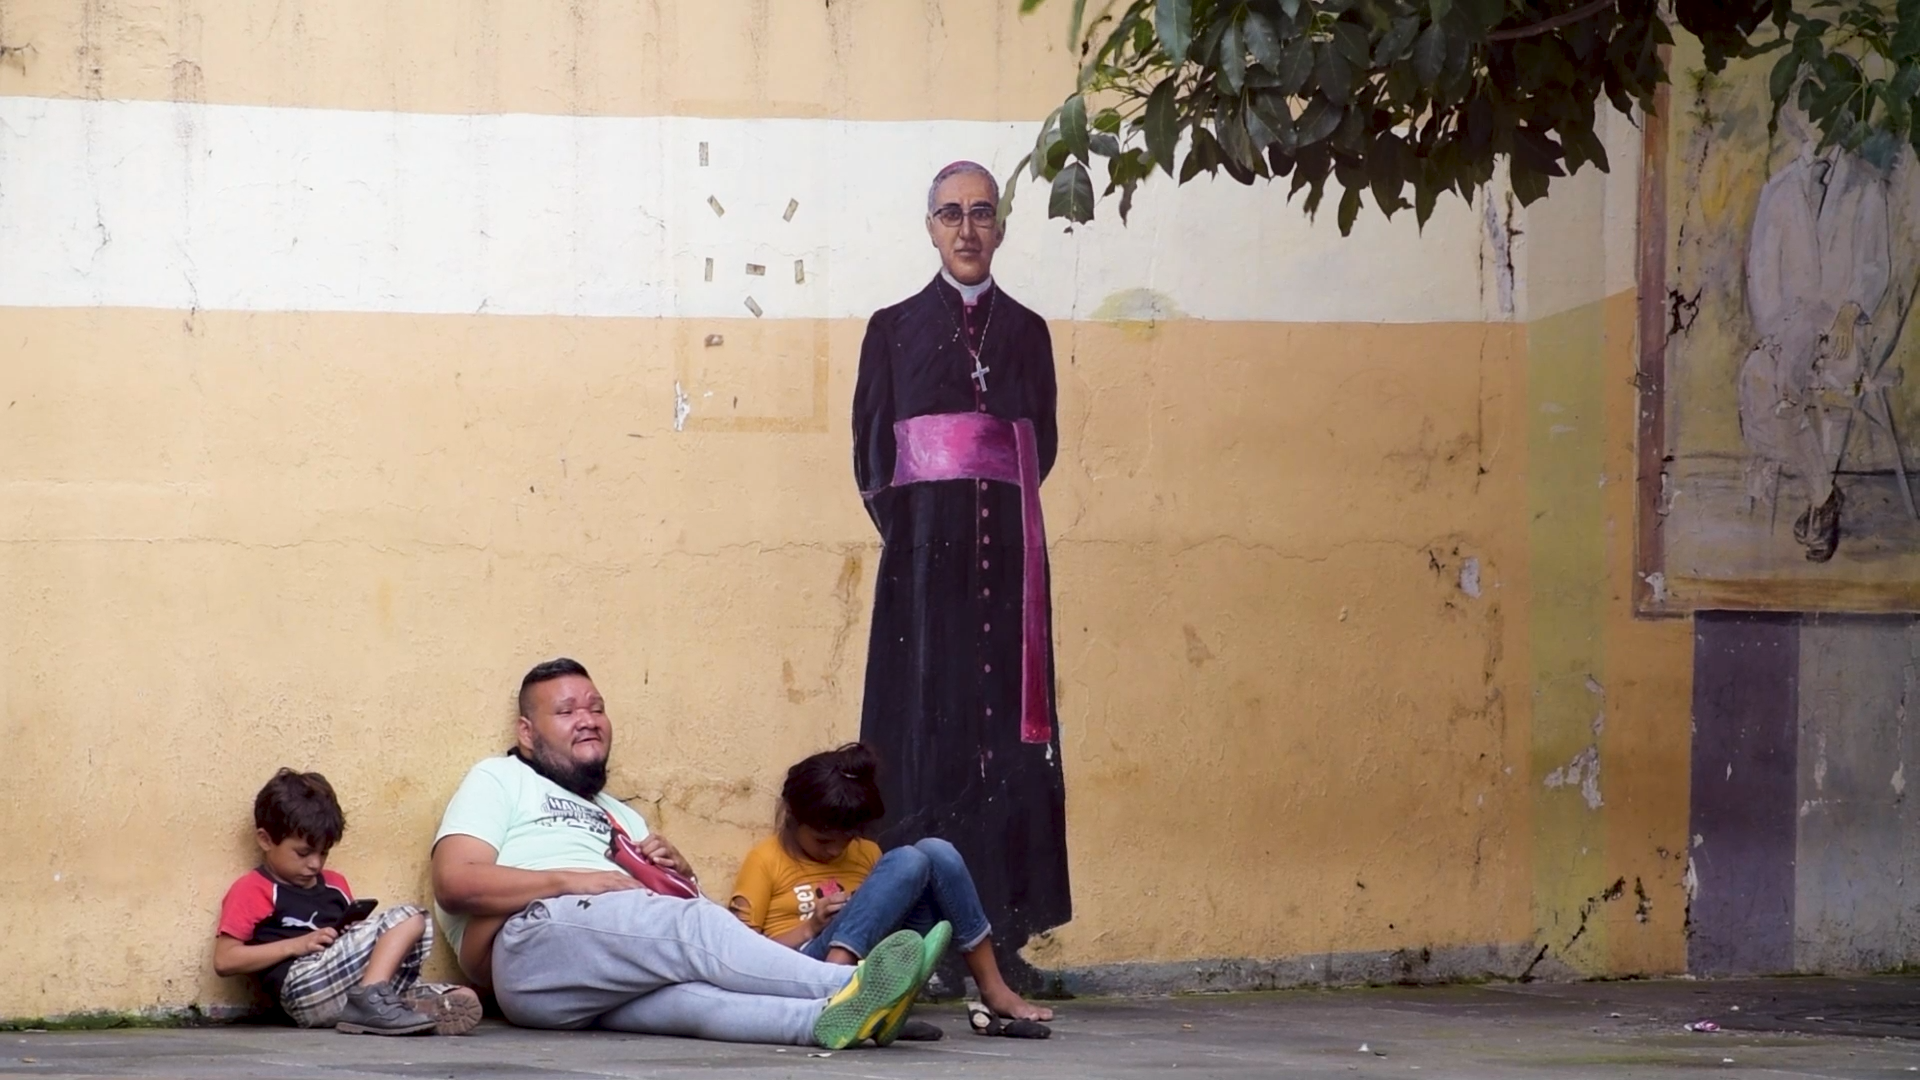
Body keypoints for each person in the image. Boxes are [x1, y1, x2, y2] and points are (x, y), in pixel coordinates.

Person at [429, 658, 948, 1048]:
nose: (587, 720)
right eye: (565, 711)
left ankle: (841, 1020)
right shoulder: (500, 778)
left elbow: (682, 924)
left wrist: (681, 876)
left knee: (696, 1003)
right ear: (526, 733)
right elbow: (455, 883)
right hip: (528, 942)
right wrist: (574, 880)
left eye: (596, 708)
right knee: (691, 927)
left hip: (570, 987)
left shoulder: (622, 814)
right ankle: (857, 985)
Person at [851, 160, 1071, 980]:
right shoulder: (893, 327)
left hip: (1011, 570)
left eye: (982, 213)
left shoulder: (1029, 330)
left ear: (1002, 226)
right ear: (931, 227)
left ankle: (1001, 940)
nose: (967, 230)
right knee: (924, 733)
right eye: (951, 214)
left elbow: (1038, 444)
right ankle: (915, 938)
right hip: (922, 570)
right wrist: (920, 539)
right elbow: (873, 455)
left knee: (1005, 739)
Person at [728, 743, 1054, 1031]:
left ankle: (993, 986)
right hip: (808, 969)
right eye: (823, 840)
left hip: (876, 969)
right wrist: (810, 928)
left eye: (846, 840)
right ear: (792, 817)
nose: (834, 851)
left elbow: (882, 916)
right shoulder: (766, 860)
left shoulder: (867, 854)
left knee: (935, 851)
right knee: (909, 860)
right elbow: (738, 956)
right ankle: (836, 984)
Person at [1738, 102, 1900, 562]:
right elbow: (1762, 273)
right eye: (1808, 107)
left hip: (1843, 333)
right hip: (1788, 332)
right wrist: (1778, 328)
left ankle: (1818, 497)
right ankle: (1821, 496)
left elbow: (1873, 265)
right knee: (1759, 378)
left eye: (1829, 105)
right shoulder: (1779, 190)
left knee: (1786, 382)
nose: (1819, 117)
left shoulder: (1866, 186)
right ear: (1793, 116)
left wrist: (1851, 311)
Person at [214, 769, 482, 1036]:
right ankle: (370, 1001)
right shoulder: (254, 888)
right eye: (303, 853)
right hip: (302, 986)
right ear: (265, 839)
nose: (315, 864)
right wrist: (296, 945)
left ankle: (393, 1006)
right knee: (409, 918)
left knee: (461, 995)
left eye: (324, 853)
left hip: (342, 988)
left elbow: (361, 950)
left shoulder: (335, 884)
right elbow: (225, 960)